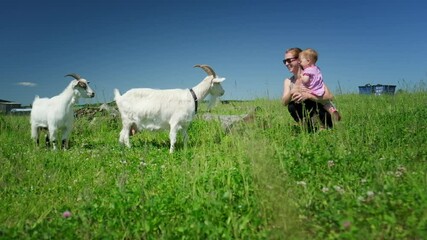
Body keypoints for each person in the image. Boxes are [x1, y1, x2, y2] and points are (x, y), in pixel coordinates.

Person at [281, 47, 336, 131]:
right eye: (285, 61)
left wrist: (308, 95)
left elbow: (330, 96)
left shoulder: (312, 74)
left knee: (308, 100)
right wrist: (292, 91)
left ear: (299, 60)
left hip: (323, 113)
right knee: (292, 106)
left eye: (289, 60)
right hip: (308, 115)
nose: (286, 64)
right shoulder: (288, 81)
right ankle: (309, 129)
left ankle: (324, 127)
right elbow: (284, 102)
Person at [298, 48, 341, 122]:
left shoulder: (307, 70)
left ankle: (318, 121)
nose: (300, 63)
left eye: (301, 61)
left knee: (312, 103)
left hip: (313, 91)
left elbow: (306, 80)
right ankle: (332, 110)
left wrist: (302, 77)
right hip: (320, 89)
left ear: (308, 61)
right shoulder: (317, 68)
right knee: (326, 103)